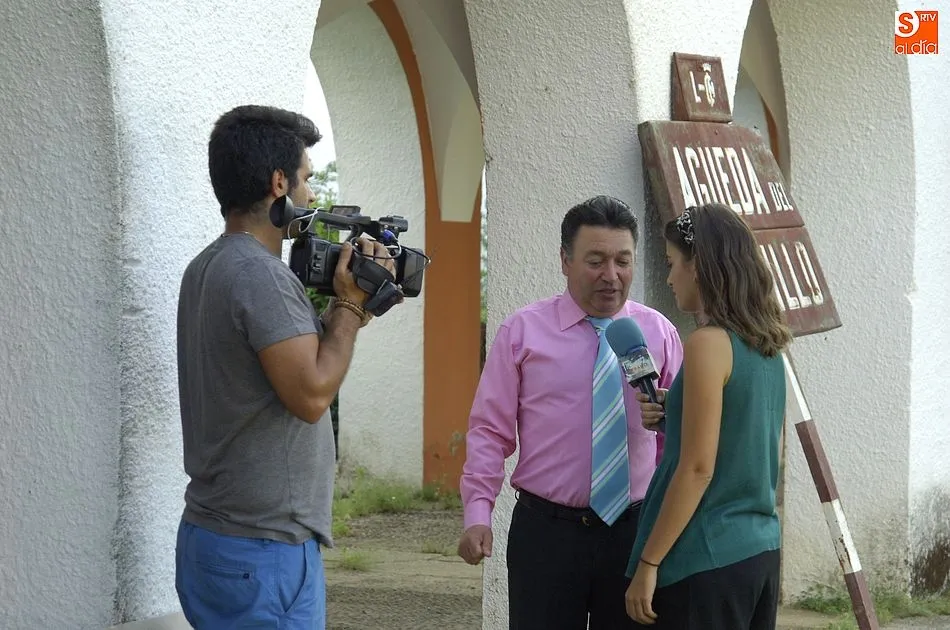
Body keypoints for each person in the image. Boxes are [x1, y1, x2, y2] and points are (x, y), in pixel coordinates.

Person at [174, 104, 397, 629]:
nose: (311, 196)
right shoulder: (262, 276)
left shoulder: (206, 265)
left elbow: (285, 368)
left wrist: (348, 310)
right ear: (279, 183)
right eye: (306, 180)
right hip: (261, 551)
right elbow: (312, 394)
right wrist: (349, 306)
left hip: (216, 536)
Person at [458, 195, 684, 630]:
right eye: (595, 261)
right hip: (547, 533)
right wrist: (477, 514)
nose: (611, 276)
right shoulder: (523, 332)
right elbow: (489, 431)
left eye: (623, 261)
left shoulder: (658, 332)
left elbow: (683, 436)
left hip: (634, 532)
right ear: (565, 261)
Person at [624, 203, 793, 629]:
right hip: (759, 552)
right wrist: (675, 412)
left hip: (704, 556)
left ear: (696, 265)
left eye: (671, 262)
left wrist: (648, 560)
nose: (668, 276)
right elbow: (743, 434)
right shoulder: (767, 346)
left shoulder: (706, 344)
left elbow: (697, 468)